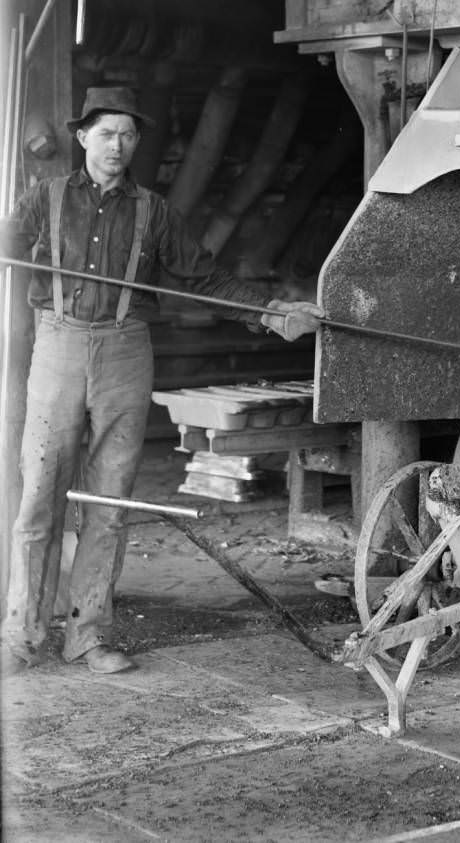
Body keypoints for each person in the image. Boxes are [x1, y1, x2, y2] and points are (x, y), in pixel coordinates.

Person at [0, 86, 324, 675]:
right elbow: (6, 244)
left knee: (110, 500)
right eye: (106, 133)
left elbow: (204, 280)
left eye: (127, 135)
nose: (116, 145)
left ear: (137, 142)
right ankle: (20, 635)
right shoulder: (41, 200)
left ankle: (88, 636)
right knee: (38, 497)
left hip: (125, 351)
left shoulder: (153, 212)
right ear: (81, 138)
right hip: (58, 346)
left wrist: (272, 312)